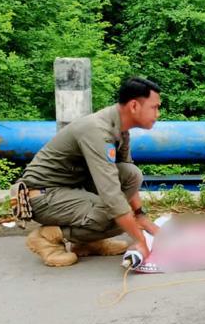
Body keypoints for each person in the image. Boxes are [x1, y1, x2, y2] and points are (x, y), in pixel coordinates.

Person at [12, 77, 162, 267]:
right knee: (117, 216)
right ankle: (47, 237)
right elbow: (112, 196)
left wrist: (142, 216)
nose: (157, 113)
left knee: (131, 175)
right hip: (43, 195)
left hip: (70, 189)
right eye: (154, 107)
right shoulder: (98, 131)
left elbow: (124, 175)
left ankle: (87, 241)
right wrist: (141, 241)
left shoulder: (121, 130)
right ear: (134, 106)